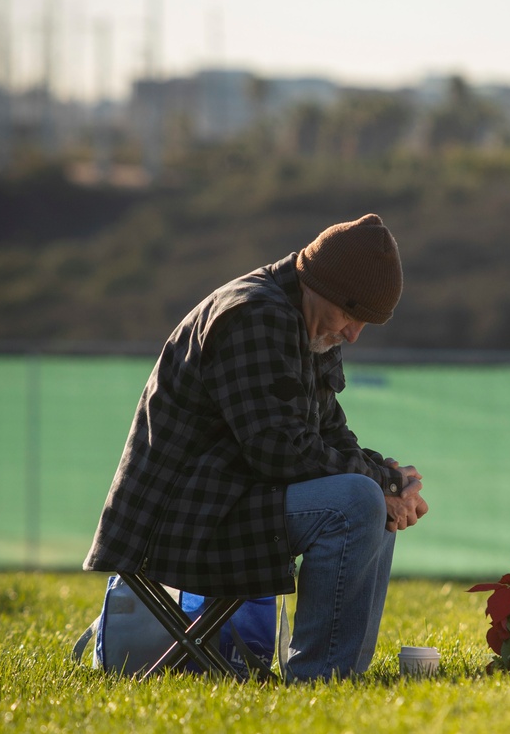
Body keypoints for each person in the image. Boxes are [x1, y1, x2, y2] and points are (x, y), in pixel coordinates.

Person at [84, 213, 427, 680]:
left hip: (229, 501)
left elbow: (330, 436)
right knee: (356, 501)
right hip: (182, 520)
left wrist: (389, 480)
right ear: (320, 286)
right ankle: (323, 679)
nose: (352, 334)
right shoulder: (254, 316)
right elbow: (281, 453)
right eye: (351, 316)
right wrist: (381, 483)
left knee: (369, 498)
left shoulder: (310, 319)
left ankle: (342, 672)